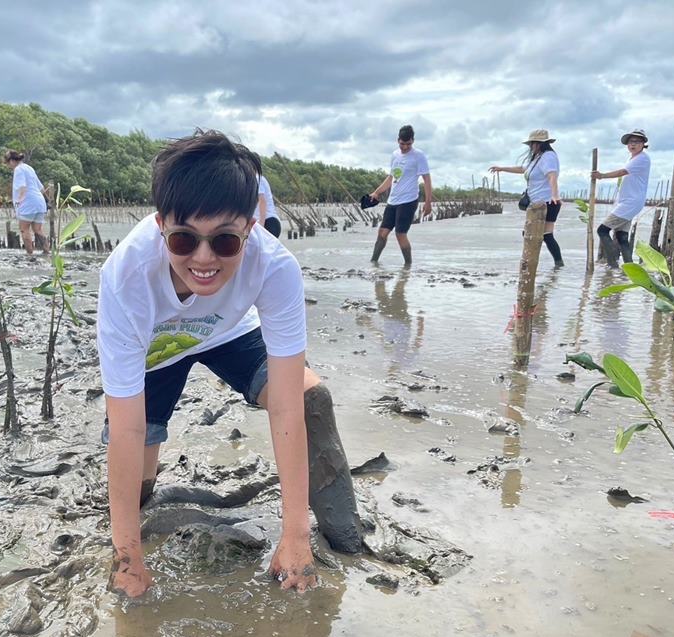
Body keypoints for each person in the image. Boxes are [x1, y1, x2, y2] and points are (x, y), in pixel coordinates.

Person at [97, 129, 365, 598]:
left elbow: (286, 405)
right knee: (139, 480)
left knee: (311, 398)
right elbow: (126, 429)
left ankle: (345, 541)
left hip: (230, 332)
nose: (203, 259)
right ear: (160, 226)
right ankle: (131, 529)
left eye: (224, 241)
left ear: (251, 226)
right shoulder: (126, 276)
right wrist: (128, 559)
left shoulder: (275, 267)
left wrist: (295, 535)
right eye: (184, 239)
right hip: (156, 350)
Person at [490, 129, 563, 267]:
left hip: (547, 202)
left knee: (540, 235)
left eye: (531, 144)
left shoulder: (548, 156)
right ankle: (554, 265)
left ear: (539, 143)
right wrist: (502, 168)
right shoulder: (538, 158)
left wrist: (554, 195)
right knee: (539, 235)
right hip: (536, 203)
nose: (530, 147)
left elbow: (552, 176)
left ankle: (538, 265)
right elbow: (523, 169)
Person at [366, 125, 432, 266]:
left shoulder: (418, 156)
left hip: (409, 201)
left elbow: (426, 179)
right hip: (393, 200)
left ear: (413, 141)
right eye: (402, 144)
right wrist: (377, 192)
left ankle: (408, 266)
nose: (405, 147)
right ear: (398, 140)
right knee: (382, 232)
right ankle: (373, 263)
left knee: (400, 234)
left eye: (408, 144)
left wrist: (428, 202)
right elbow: (391, 178)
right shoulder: (395, 155)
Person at [591, 129, 651, 267]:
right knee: (621, 236)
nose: (633, 144)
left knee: (602, 230)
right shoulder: (633, 158)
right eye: (630, 142)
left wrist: (601, 176)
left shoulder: (642, 158)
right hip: (629, 202)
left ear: (643, 144)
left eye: (637, 141)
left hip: (630, 203)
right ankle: (629, 267)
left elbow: (622, 172)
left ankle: (612, 265)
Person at [3, 150, 49, 256]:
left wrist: (18, 203)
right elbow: (41, 187)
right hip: (39, 202)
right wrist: (47, 200)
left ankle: (29, 254)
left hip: (28, 203)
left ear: (12, 161)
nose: (8, 166)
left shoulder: (18, 170)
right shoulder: (29, 168)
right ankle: (47, 252)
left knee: (24, 229)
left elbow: (22, 188)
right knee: (38, 229)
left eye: (7, 163)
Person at [254, 171, 282, 238]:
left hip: (268, 221)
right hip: (260, 223)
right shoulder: (250, 181)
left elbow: (262, 201)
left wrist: (261, 224)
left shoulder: (257, 178)